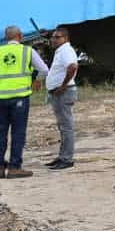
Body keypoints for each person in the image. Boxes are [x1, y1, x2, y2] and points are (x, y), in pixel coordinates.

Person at [0, 25, 48, 178]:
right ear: (20, 36)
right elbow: (44, 70)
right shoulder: (27, 51)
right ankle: (14, 167)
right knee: (18, 133)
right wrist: (36, 81)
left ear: (6, 37)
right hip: (20, 98)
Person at [46, 26, 79, 170]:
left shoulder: (66, 50)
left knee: (66, 127)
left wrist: (63, 85)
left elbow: (72, 67)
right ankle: (62, 156)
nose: (53, 39)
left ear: (65, 39)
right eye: (53, 37)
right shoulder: (60, 51)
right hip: (58, 92)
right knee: (63, 126)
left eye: (57, 37)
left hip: (63, 92)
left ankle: (67, 159)